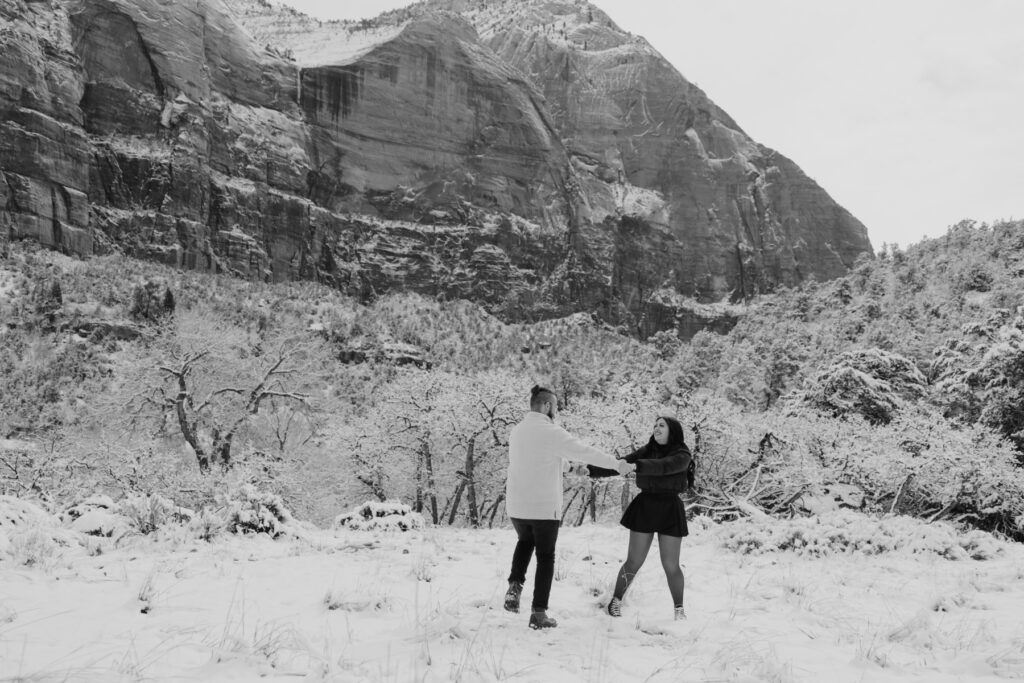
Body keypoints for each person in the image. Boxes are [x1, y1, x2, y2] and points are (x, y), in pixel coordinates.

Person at [504, 385, 634, 630]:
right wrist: (617, 464)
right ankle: (539, 613)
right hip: (543, 507)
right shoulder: (551, 432)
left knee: (524, 542)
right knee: (545, 557)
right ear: (547, 406)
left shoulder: (517, 432)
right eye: (555, 406)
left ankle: (514, 587)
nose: (556, 411)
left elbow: (540, 457)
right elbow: (585, 451)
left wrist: (569, 469)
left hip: (517, 506)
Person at [602, 416, 694, 621]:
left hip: (670, 508)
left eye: (662, 425)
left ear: (673, 431)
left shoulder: (682, 454)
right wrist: (588, 470)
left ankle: (679, 609)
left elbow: (664, 466)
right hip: (646, 506)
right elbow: (621, 464)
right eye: (655, 425)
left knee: (671, 565)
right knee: (634, 561)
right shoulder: (647, 450)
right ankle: (616, 601)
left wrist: (636, 466)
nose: (656, 428)